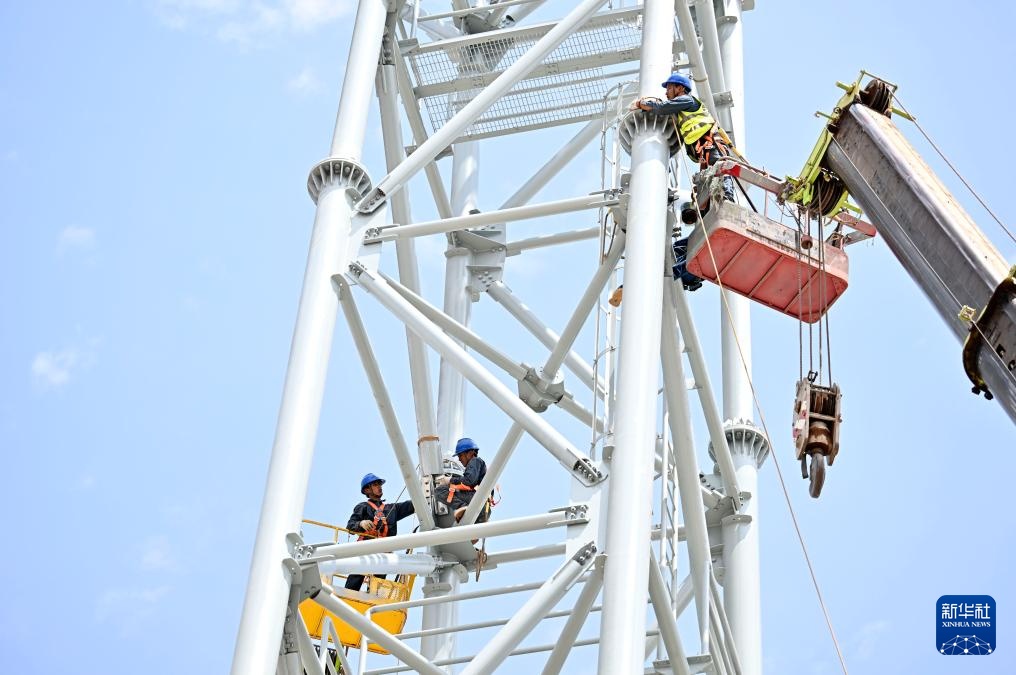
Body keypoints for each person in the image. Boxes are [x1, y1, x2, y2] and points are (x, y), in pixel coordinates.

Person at [636, 73, 737, 203]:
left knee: (720, 167)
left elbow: (662, 108)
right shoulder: (681, 110)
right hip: (704, 149)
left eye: (669, 88)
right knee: (709, 179)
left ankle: (727, 199)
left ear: (680, 88)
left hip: (710, 143)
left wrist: (641, 103)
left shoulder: (686, 100)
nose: (666, 93)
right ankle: (715, 206)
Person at [343, 473, 415, 591]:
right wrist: (361, 524)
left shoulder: (391, 509)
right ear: (367, 489)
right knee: (355, 579)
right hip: (366, 548)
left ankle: (373, 602)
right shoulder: (363, 507)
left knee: (378, 586)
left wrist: (425, 495)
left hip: (384, 551)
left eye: (379, 484)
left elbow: (411, 505)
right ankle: (346, 598)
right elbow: (350, 525)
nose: (379, 487)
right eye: (375, 485)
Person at [446, 438, 490, 523]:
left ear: (470, 453)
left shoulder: (475, 461)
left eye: (460, 455)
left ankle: (463, 506)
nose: (459, 459)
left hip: (475, 501)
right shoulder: (477, 467)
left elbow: (469, 481)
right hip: (483, 509)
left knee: (441, 491)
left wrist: (450, 480)